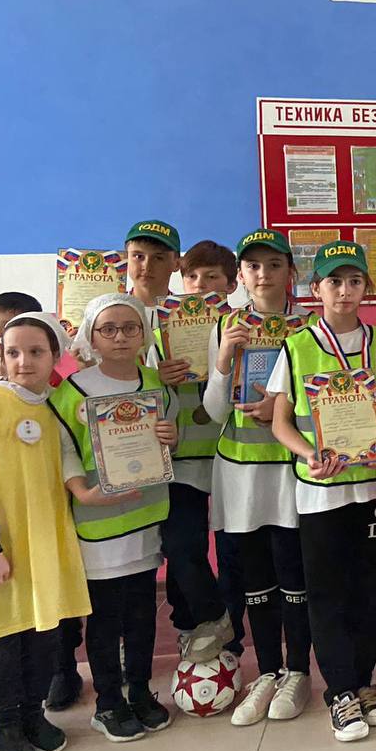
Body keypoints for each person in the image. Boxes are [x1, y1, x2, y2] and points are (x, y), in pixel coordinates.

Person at [269, 241, 376, 742]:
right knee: (326, 591)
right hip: (322, 491)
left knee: (368, 589)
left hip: (375, 486)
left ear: (367, 287)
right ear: (315, 289)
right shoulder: (297, 345)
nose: (345, 291)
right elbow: (280, 423)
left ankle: (364, 682)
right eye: (334, 281)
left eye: (354, 281)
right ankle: (340, 692)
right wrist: (307, 454)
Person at [48, 294, 176, 740]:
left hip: (146, 514)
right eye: (108, 329)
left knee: (142, 612)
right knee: (105, 616)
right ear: (91, 336)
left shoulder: (155, 383)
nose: (120, 337)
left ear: (143, 334)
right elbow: (63, 451)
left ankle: (139, 691)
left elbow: (169, 439)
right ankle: (107, 702)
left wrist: (171, 436)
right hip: (99, 523)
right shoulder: (73, 390)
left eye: (130, 327)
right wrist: (82, 492)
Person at [202, 229, 313, 727]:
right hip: (240, 475)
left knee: (294, 576)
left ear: (291, 271)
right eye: (253, 266)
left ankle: (298, 671)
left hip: (291, 473)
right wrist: (224, 361)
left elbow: (322, 406)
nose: (263, 274)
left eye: (274, 264)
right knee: (255, 582)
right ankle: (267, 671)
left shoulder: (309, 326)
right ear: (241, 275)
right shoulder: (226, 324)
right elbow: (213, 412)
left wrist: (280, 410)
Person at [0, 314, 90, 751]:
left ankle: (34, 714)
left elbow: (72, 462)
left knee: (44, 633)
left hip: (48, 541)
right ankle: (6, 724)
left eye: (36, 352)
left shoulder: (56, 406)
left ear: (55, 356)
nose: (23, 362)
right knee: (5, 637)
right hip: (6, 546)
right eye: (12, 352)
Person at [149, 240, 239, 666]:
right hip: (181, 458)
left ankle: (231, 639)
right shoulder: (160, 329)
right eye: (192, 276)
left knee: (234, 554)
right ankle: (201, 621)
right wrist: (158, 374)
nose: (200, 284)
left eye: (211, 277)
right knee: (182, 547)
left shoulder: (245, 328)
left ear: (231, 284)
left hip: (229, 455)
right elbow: (139, 385)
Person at [123, 220, 180, 332]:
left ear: (177, 264)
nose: (147, 266)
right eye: (138, 256)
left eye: (158, 258)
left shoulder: (188, 315)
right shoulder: (109, 311)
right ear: (126, 259)